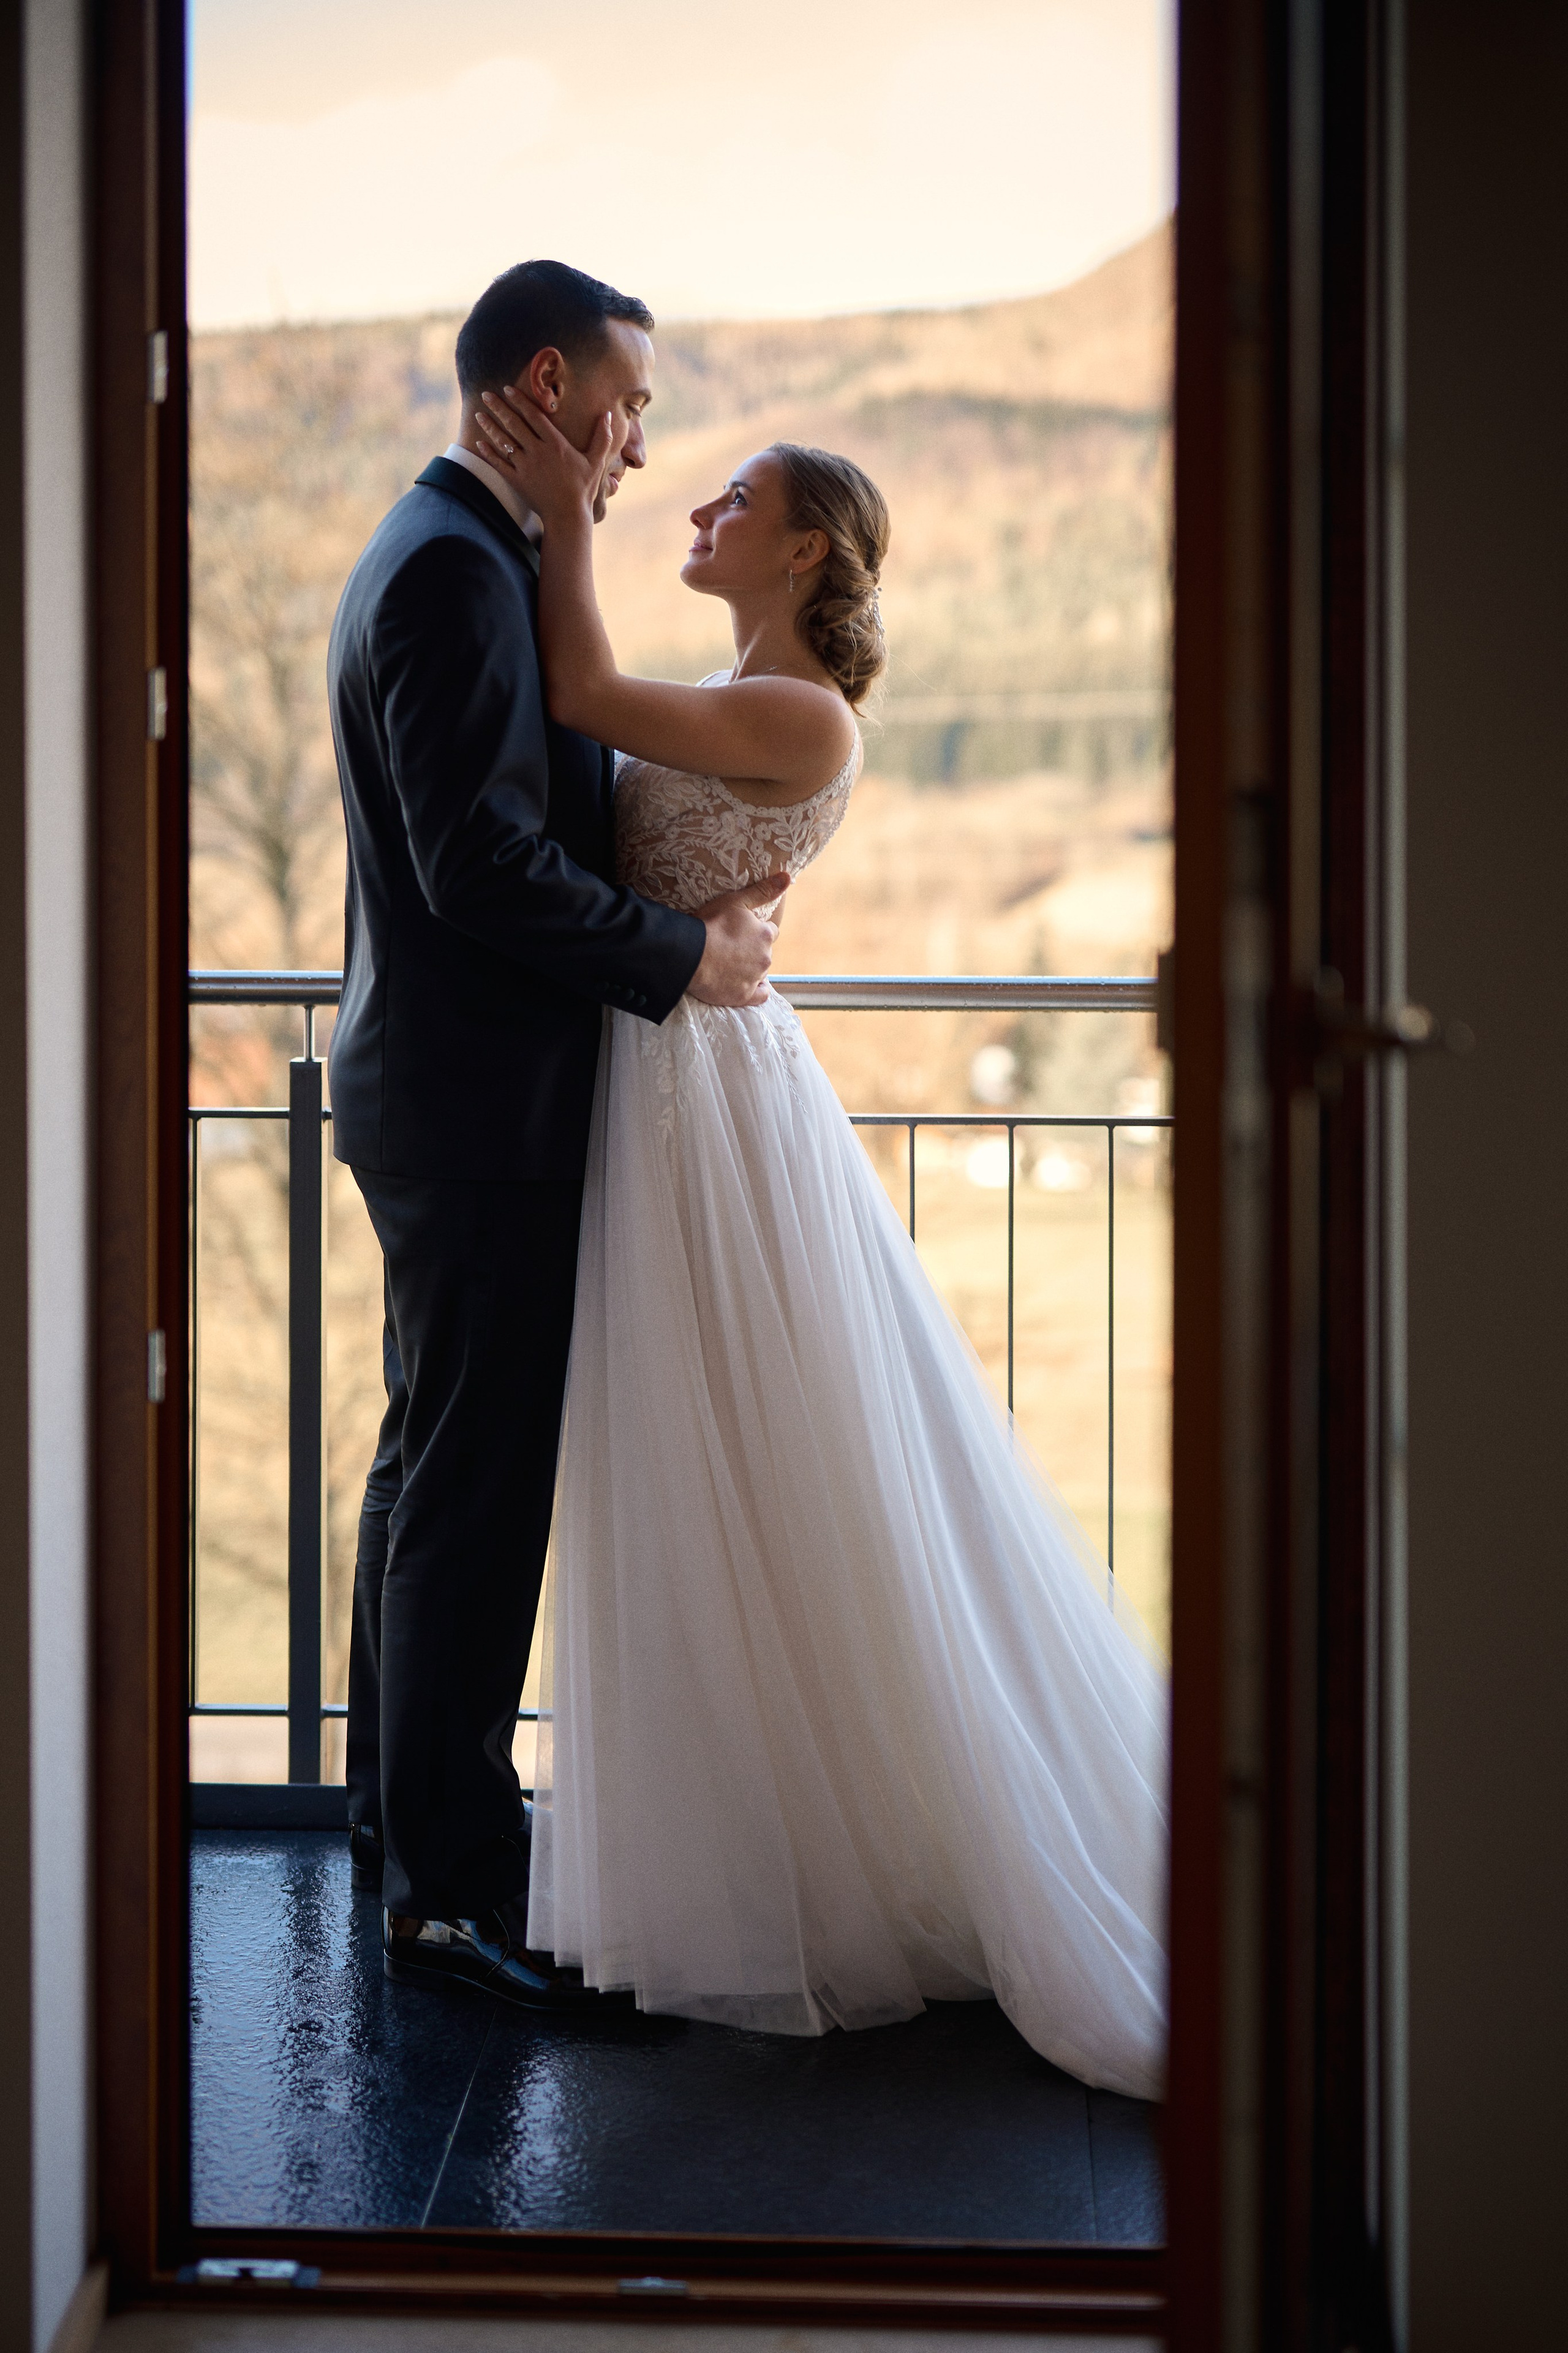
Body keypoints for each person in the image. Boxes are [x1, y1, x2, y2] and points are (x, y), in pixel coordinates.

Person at [466, 384, 1170, 2099]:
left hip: (713, 1102)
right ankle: (748, 1830)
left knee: (772, 1458)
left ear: (801, 547)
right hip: (666, 1072)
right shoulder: (734, 696)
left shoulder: (807, 723)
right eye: (686, 495)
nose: (692, 513)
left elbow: (572, 692)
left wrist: (564, 508)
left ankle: (828, 1857)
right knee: (705, 1467)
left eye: (728, 501)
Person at [326, 260, 788, 2012]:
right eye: (629, 403)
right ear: (547, 379)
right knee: (472, 1492)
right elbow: (481, 865)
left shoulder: (451, 548)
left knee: (423, 1475)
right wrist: (688, 955)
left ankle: (407, 1826)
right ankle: (449, 1892)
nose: (638, 440)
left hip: (444, 1093)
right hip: (475, 1106)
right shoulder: (451, 571)